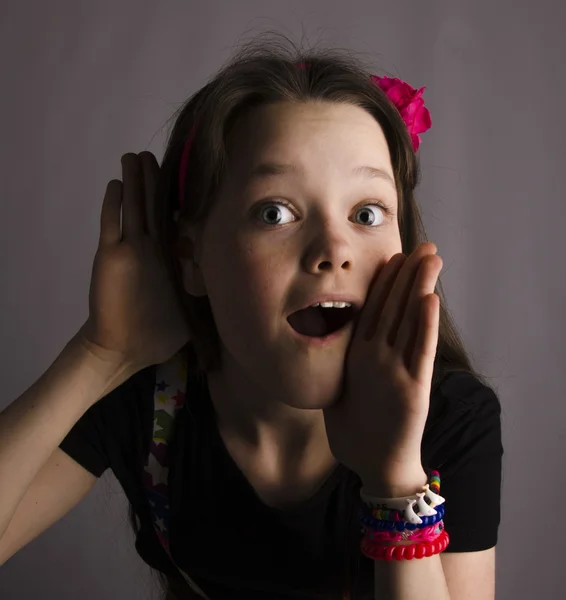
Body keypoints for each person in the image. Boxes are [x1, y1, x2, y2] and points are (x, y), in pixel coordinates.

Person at [0, 33, 503, 600]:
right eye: (275, 211)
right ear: (192, 257)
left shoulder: (453, 419)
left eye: (366, 212)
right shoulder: (149, 400)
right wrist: (100, 354)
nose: (333, 248)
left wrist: (394, 480)